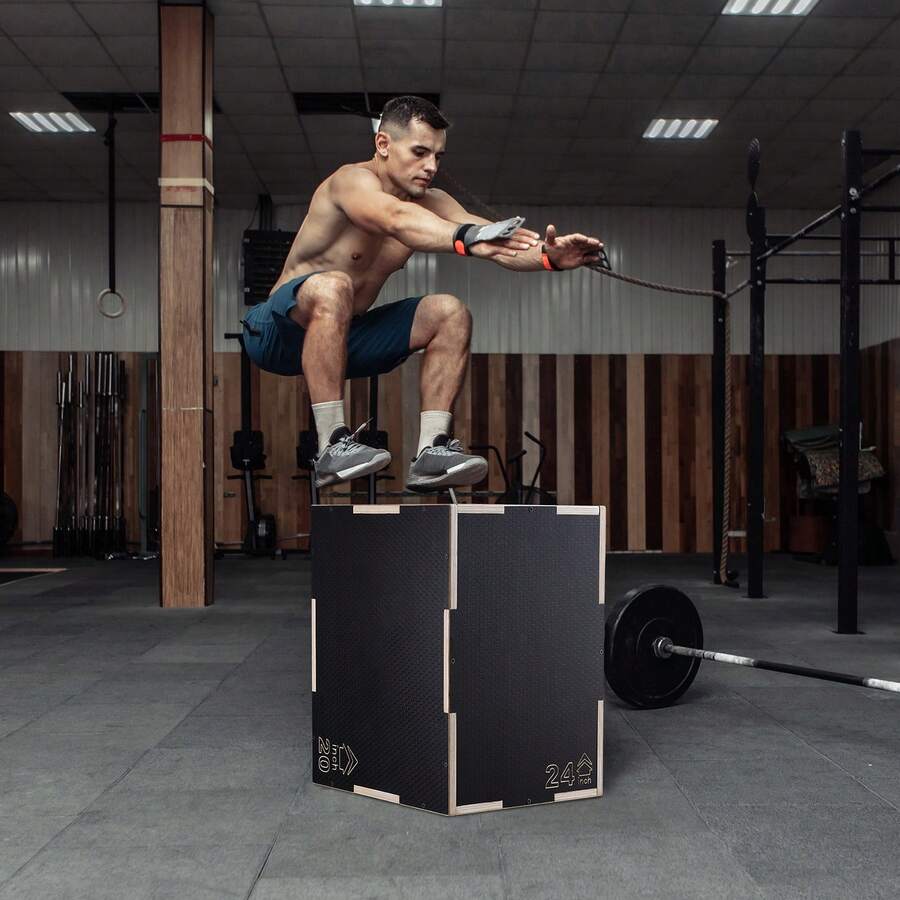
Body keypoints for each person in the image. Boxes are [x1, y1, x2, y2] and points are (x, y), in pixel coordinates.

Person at [242, 95, 604, 491]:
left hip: (343, 338)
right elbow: (395, 219)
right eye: (419, 152)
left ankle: (432, 453)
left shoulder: (432, 203)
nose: (431, 166)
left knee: (450, 312)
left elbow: (495, 242)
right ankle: (331, 447)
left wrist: (549, 257)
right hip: (277, 333)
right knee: (335, 283)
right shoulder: (351, 181)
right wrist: (467, 239)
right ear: (383, 145)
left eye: (437, 155)